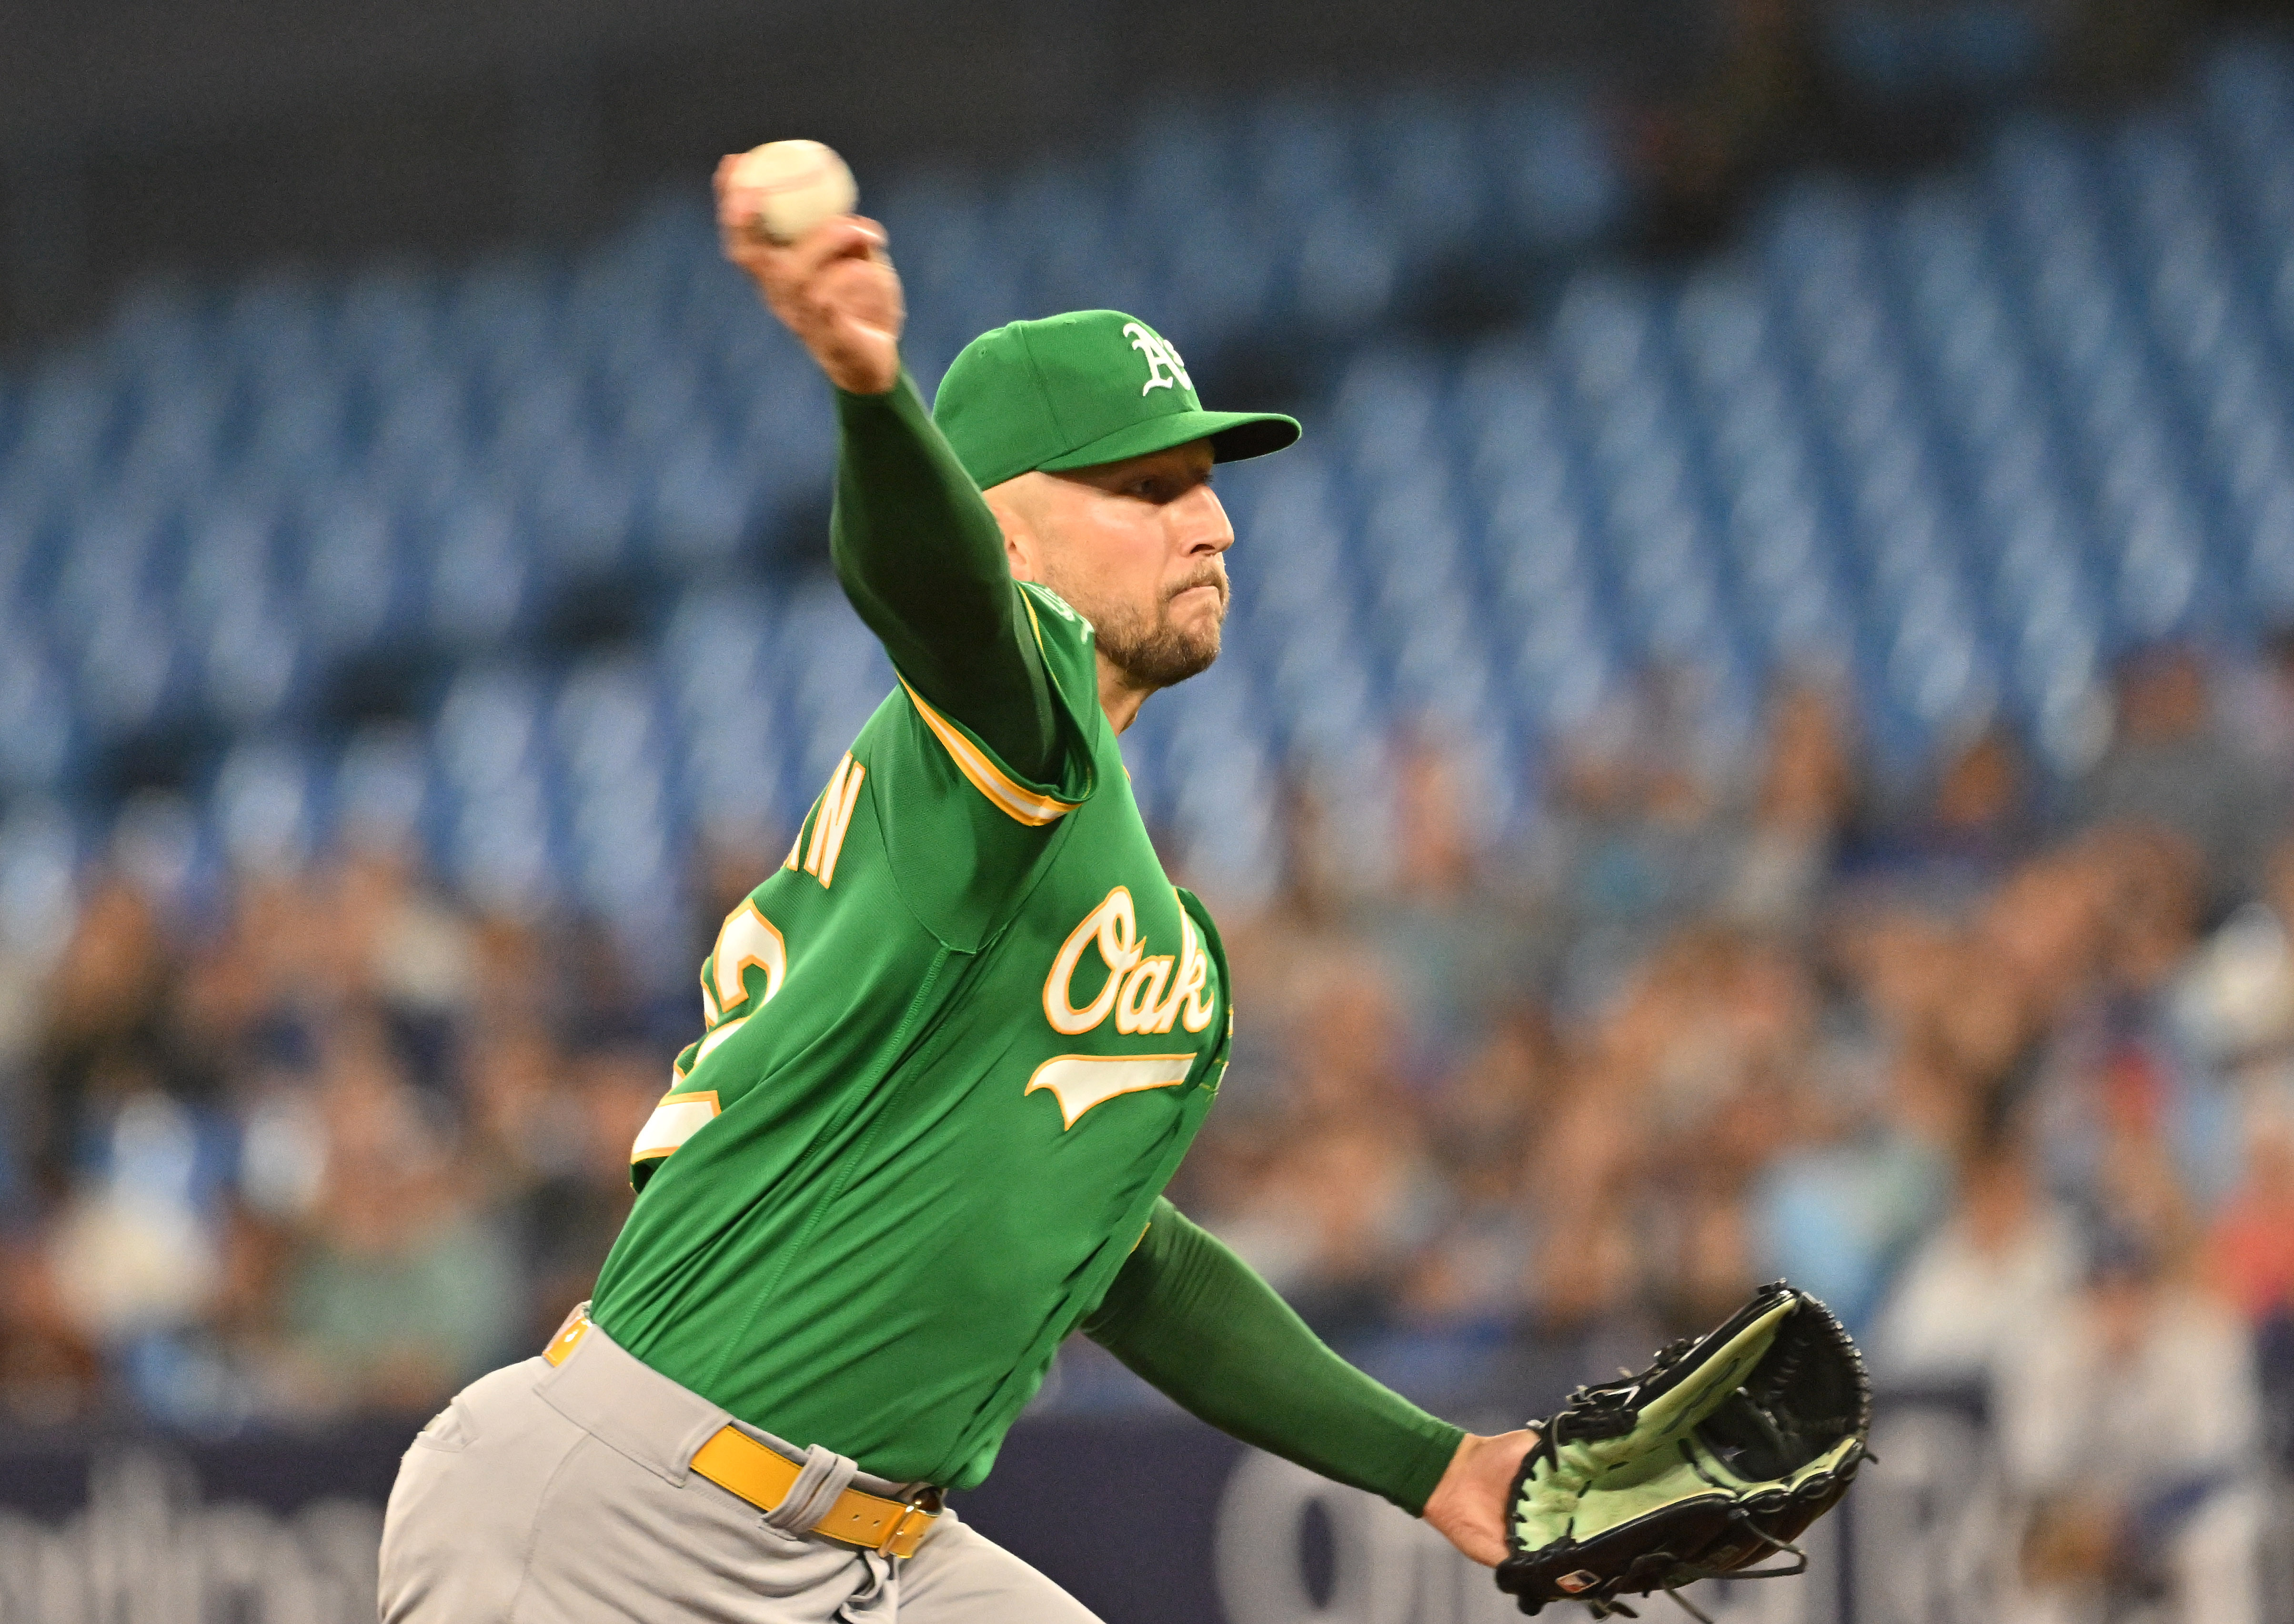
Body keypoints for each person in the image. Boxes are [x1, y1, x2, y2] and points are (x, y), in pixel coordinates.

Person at [375, 162, 1536, 1622]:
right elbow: (930, 590)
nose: (1213, 523)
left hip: (878, 1551)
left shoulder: (1107, 882)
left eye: (1207, 484)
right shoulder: (1006, 713)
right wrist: (873, 395)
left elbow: (1125, 1263)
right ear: (1008, 532)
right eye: (1145, 485)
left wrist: (1433, 1465)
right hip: (618, 1523)